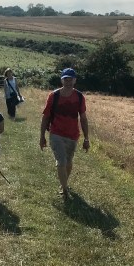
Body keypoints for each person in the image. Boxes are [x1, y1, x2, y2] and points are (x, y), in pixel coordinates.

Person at [39, 67, 89, 199]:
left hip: (73, 135)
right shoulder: (53, 96)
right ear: (62, 80)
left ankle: (64, 183)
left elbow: (83, 118)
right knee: (61, 161)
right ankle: (64, 189)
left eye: (70, 79)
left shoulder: (79, 97)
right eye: (65, 79)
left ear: (75, 80)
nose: (68, 82)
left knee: (68, 162)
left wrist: (86, 138)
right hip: (56, 133)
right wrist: (42, 136)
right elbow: (45, 117)